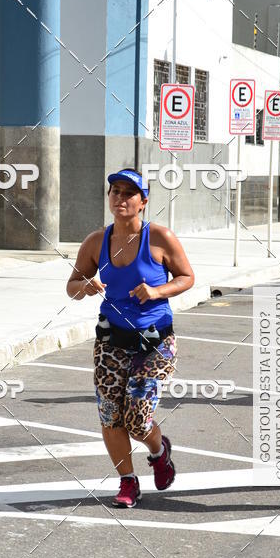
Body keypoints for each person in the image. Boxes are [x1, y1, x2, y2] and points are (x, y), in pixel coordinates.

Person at [66, 168, 195, 508]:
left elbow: (186, 277)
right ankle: (127, 481)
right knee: (110, 415)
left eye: (128, 193)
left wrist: (157, 291)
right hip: (111, 342)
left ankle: (159, 451)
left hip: (155, 343)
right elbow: (72, 287)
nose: (120, 198)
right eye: (115, 192)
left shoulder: (160, 237)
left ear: (143, 202)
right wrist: (85, 286)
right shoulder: (96, 242)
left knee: (137, 420)